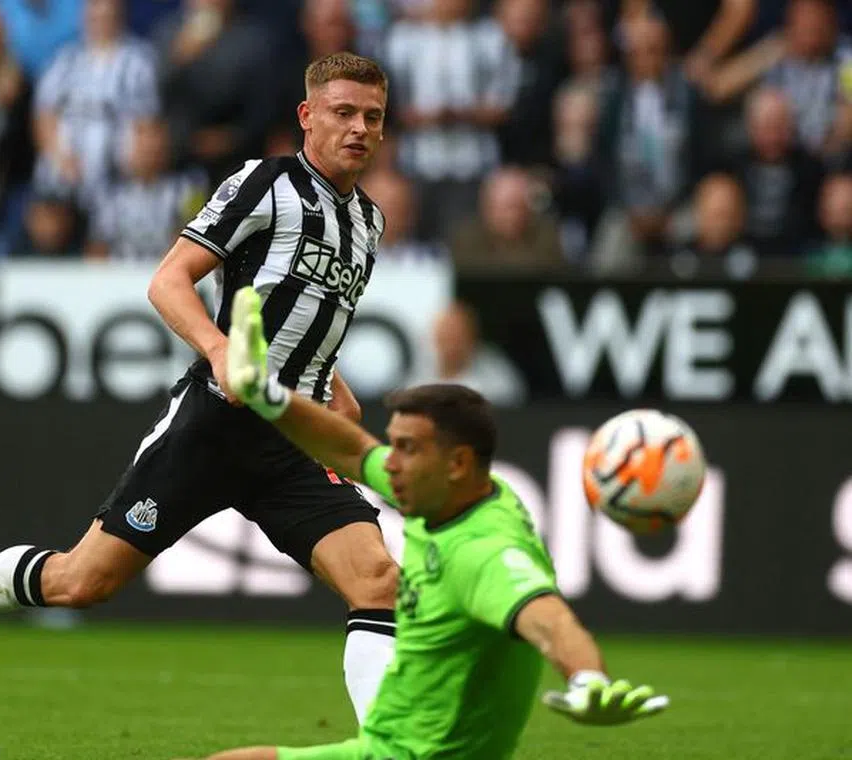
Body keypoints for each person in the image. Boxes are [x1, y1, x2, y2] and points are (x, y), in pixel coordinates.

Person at [0, 51, 400, 728]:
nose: (359, 128)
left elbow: (302, 320)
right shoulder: (265, 185)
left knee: (378, 582)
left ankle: (388, 746)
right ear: (307, 117)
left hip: (293, 444)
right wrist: (220, 351)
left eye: (372, 116)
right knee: (80, 582)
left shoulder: (369, 223)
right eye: (343, 112)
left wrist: (335, 394)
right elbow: (168, 280)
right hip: (214, 425)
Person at [174, 286, 669, 760]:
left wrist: (587, 679)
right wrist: (264, 393)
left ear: (455, 463)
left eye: (407, 450)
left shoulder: (483, 551)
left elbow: (548, 618)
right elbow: (350, 447)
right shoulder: (450, 496)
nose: (390, 462)